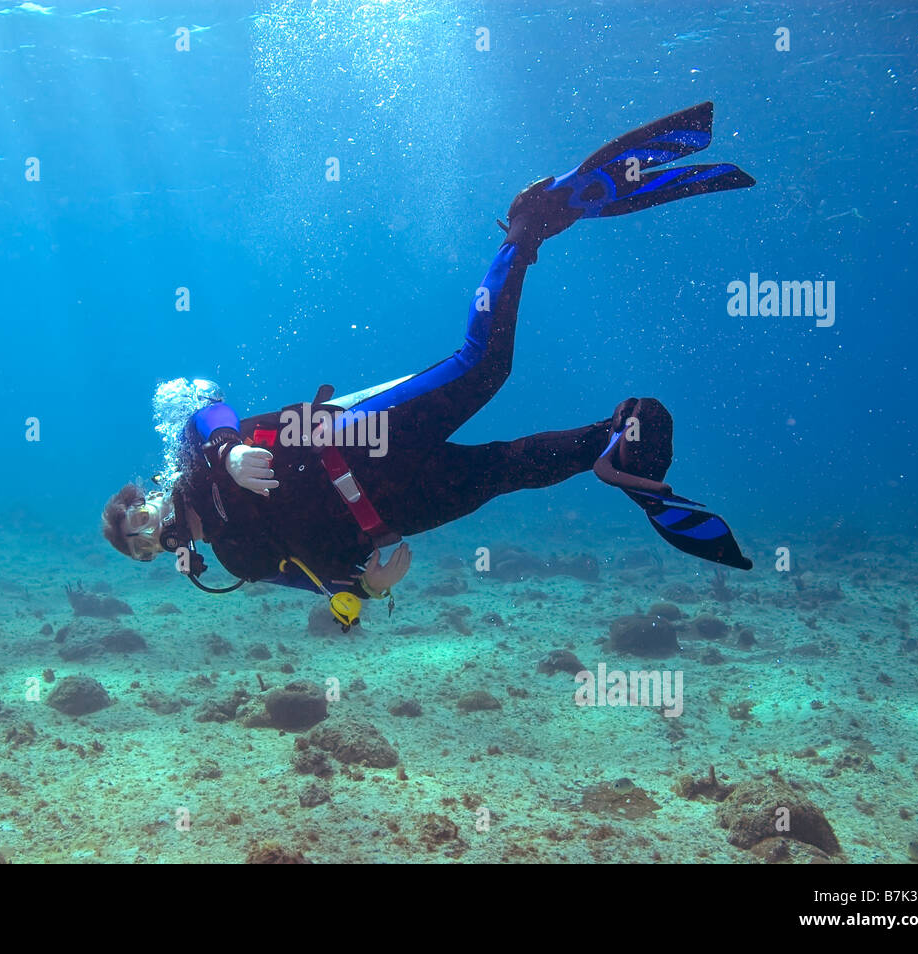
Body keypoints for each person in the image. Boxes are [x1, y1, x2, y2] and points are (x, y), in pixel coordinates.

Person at [103, 102, 754, 630]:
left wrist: (227, 455)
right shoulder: (232, 556)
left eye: (138, 520)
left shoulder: (193, 460)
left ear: (149, 495)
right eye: (139, 547)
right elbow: (316, 581)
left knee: (483, 369)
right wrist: (366, 588)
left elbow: (203, 407)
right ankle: (617, 436)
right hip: (390, 513)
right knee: (507, 469)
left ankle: (528, 224)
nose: (148, 535)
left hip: (360, 439)